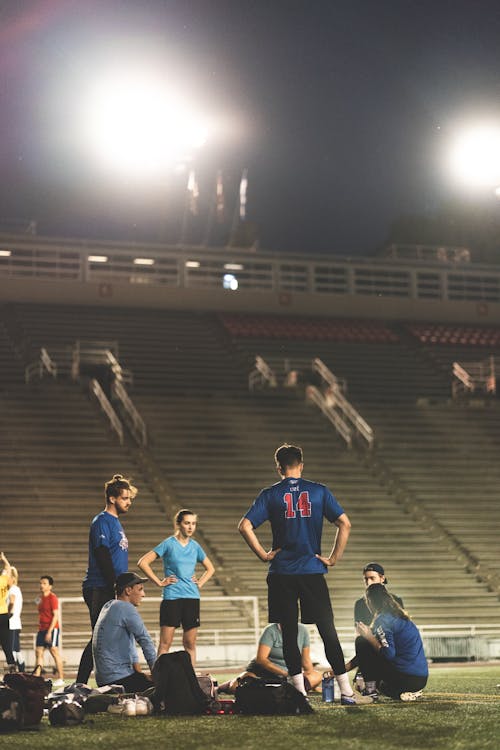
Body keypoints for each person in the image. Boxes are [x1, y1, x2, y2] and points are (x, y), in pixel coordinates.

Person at [238, 443, 372, 705]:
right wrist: (333, 558)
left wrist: (263, 555)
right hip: (311, 571)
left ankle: (299, 695)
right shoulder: (319, 491)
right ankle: (346, 693)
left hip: (282, 573)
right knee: (327, 630)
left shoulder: (270, 494)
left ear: (278, 468)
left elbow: (244, 526)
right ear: (301, 464)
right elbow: (345, 523)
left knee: (289, 633)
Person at [77, 474, 135, 685]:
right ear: (112, 498)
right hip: (99, 586)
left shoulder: (116, 523)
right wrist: (115, 584)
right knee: (99, 640)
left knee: (108, 638)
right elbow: (102, 554)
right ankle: (80, 684)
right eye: (125, 498)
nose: (129, 502)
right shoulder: (102, 521)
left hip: (110, 586)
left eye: (129, 498)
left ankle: (114, 681)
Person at [138, 509, 215, 667]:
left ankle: (191, 680)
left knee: (190, 644)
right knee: (165, 643)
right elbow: (143, 562)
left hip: (192, 598)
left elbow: (211, 568)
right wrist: (159, 582)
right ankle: (159, 679)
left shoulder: (195, 546)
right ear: (178, 524)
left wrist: (199, 583)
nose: (190, 527)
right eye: (187, 523)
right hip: (172, 597)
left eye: (193, 524)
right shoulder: (168, 544)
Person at [353, 583, 428, 701]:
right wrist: (340, 670)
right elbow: (368, 653)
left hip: (405, 678)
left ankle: (370, 692)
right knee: (384, 687)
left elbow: (388, 654)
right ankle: (408, 693)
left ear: (370, 601)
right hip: (420, 679)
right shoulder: (398, 616)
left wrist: (369, 636)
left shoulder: (383, 619)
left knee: (361, 641)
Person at [92, 571, 157, 691]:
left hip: (104, 680)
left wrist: (139, 674)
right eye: (140, 589)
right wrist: (158, 674)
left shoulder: (109, 605)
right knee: (171, 686)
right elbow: (145, 640)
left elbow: (129, 644)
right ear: (128, 591)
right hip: (119, 680)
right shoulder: (126, 607)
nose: (143, 594)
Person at [218, 622, 323, 694]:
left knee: (317, 676)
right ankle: (225, 685)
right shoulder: (271, 630)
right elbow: (261, 659)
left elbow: (306, 659)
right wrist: (285, 674)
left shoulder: (302, 630)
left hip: (288, 675)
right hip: (263, 671)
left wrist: (310, 678)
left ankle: (278, 687)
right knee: (235, 687)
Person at [35, 575, 64, 687]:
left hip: (52, 629)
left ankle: (61, 677)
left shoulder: (53, 598)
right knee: (38, 652)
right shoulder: (40, 598)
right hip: (41, 629)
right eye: (41, 583)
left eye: (44, 583)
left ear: (50, 586)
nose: (41, 585)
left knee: (54, 651)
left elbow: (55, 616)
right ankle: (36, 679)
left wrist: (49, 632)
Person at [7, 566, 25, 672]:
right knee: (17, 650)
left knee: (11, 650)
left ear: (13, 578)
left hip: (11, 623)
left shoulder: (13, 589)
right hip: (16, 623)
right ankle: (22, 672)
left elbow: (12, 602)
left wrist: (7, 614)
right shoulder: (16, 589)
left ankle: (13, 674)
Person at [0, 552, 15, 672]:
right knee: (6, 646)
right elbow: (8, 569)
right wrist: (4, 559)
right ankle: (12, 668)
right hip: (4, 615)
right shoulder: (3, 580)